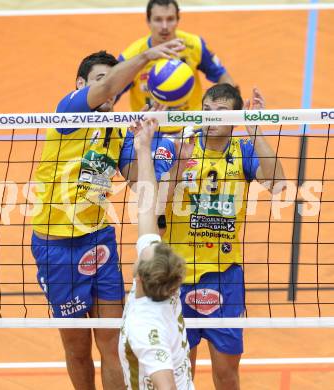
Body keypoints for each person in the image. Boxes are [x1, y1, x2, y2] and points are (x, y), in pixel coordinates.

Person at [31, 40, 185, 390]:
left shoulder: (117, 131)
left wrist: (158, 144)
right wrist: (145, 57)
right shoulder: (69, 113)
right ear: (80, 85)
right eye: (104, 80)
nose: (111, 90)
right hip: (57, 250)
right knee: (77, 348)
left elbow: (140, 182)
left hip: (98, 240)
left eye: (115, 83)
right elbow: (107, 86)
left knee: (112, 343)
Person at [162, 84, 286, 389]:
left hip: (224, 276)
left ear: (234, 118)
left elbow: (278, 184)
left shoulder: (242, 150)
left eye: (221, 111)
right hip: (176, 275)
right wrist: (179, 163)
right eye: (207, 110)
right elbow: (152, 199)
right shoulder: (180, 145)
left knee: (226, 373)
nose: (212, 117)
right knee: (180, 373)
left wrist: (254, 130)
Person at [118, 117, 194, 389]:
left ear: (139, 275)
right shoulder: (163, 291)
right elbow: (147, 205)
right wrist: (143, 147)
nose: (143, 247)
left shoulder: (145, 327)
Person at [118, 0, 234, 132]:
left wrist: (233, 110)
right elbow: (111, 91)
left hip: (192, 126)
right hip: (150, 129)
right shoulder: (132, 55)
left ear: (178, 19)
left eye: (170, 19)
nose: (164, 26)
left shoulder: (193, 44)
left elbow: (223, 77)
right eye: (158, 20)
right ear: (148, 21)